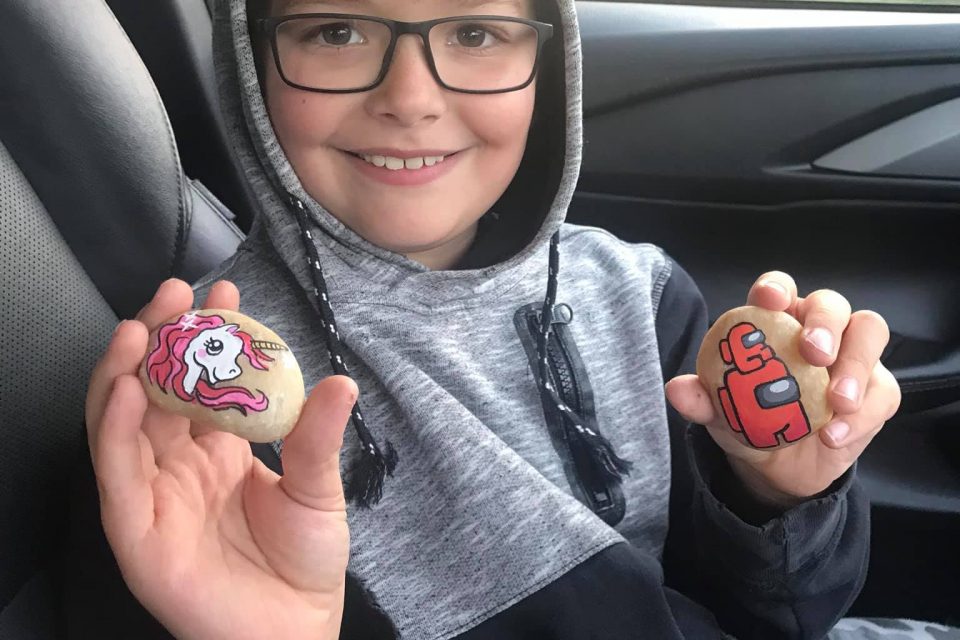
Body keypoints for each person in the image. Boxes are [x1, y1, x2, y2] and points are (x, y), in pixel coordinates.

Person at [70, 0, 936, 638]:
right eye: (336, 31)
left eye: (476, 33)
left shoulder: (637, 294)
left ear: (547, 66)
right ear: (254, 65)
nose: (409, 98)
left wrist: (777, 493)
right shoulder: (209, 420)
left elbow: (786, 615)